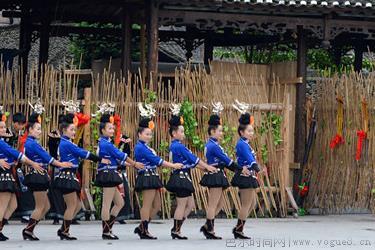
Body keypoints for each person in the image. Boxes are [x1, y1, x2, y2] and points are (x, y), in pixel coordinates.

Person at [54, 113, 109, 240]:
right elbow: (83, 153)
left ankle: (63, 229)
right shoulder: (66, 143)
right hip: (67, 176)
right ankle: (64, 231)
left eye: (75, 129)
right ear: (64, 130)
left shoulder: (66, 142)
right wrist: (99, 159)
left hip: (70, 175)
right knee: (72, 205)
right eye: (72, 130)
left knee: (77, 205)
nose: (74, 132)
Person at [166, 110, 217, 240]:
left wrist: (204, 169)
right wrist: (207, 166)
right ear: (174, 133)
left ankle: (176, 228)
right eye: (181, 131)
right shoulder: (178, 147)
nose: (183, 134)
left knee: (190, 205)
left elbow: (192, 163)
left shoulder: (178, 146)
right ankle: (176, 231)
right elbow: (194, 158)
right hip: (180, 177)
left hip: (184, 177)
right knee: (182, 205)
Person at [22, 112, 73, 241]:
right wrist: (61, 164)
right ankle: (28, 230)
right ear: (30, 130)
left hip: (40, 175)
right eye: (37, 129)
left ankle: (29, 228)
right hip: (37, 176)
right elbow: (48, 158)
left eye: (40, 129)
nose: (40, 131)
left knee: (46, 206)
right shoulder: (31, 143)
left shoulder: (32, 142)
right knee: (40, 206)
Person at [133, 111, 183, 240]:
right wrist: (173, 165)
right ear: (139, 134)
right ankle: (144, 230)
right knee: (147, 205)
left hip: (153, 177)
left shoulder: (146, 147)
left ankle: (141, 227)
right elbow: (157, 161)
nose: (149, 136)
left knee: (157, 205)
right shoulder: (140, 147)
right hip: (146, 177)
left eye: (150, 134)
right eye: (146, 134)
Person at [95, 113, 144, 240]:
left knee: (119, 202)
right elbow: (120, 155)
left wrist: (131, 165)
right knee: (107, 203)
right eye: (109, 128)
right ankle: (106, 232)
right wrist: (134, 163)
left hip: (111, 173)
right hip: (108, 174)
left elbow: (117, 159)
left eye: (113, 128)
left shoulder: (106, 143)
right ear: (102, 130)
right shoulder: (106, 144)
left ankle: (108, 229)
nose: (113, 130)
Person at [200, 109, 245, 239]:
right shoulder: (214, 146)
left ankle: (207, 226)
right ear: (212, 131)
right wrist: (240, 169)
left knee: (219, 204)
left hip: (218, 173)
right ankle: (210, 230)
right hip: (215, 174)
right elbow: (227, 160)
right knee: (213, 204)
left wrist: (236, 168)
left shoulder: (213, 144)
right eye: (219, 130)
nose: (221, 133)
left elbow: (225, 162)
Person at [0, 111, 42, 241]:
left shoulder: (4, 140)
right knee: (2, 205)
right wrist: (32, 163)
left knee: (12, 205)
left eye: (3, 126)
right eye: (0, 127)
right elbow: (17, 154)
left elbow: (14, 154)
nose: (3, 129)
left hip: (8, 172)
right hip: (3, 174)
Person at [231, 112, 264, 239]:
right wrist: (255, 166)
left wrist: (256, 167)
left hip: (249, 175)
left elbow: (250, 158)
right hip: (245, 177)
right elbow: (249, 158)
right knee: (246, 204)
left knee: (252, 204)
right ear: (241, 132)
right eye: (249, 131)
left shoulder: (245, 143)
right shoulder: (242, 144)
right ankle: (239, 230)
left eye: (252, 131)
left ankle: (238, 227)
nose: (251, 133)